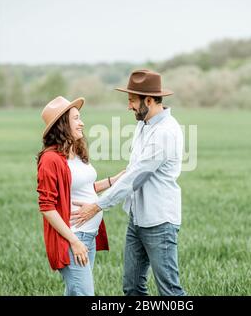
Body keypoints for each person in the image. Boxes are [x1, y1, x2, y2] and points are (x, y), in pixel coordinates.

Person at [72, 69, 186, 296]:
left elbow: (136, 177)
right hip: (137, 219)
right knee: (132, 287)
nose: (129, 106)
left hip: (159, 222)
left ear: (150, 100)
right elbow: (131, 170)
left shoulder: (165, 132)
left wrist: (97, 206)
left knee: (170, 291)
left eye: (132, 101)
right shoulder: (143, 125)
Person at [36, 96, 125, 296]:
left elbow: (83, 188)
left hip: (89, 236)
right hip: (73, 238)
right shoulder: (50, 159)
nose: (82, 122)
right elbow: (47, 207)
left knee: (76, 292)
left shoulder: (75, 151)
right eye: (76, 118)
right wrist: (74, 242)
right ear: (62, 124)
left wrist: (114, 179)